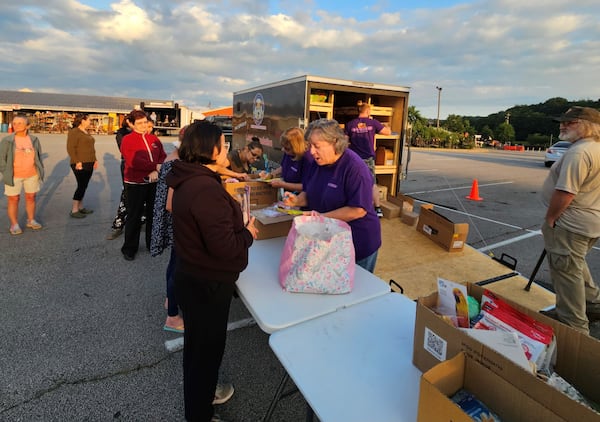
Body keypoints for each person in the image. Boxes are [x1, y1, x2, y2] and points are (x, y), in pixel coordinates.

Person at [166, 120, 257, 421]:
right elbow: (226, 248)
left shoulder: (189, 178)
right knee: (204, 356)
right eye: (224, 143)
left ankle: (202, 398)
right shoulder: (204, 188)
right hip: (206, 285)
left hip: (193, 278)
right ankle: (199, 413)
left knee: (198, 352)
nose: (227, 149)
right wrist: (248, 234)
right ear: (211, 148)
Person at [284, 118, 382, 273]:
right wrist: (296, 200)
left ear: (335, 143)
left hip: (357, 242)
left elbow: (358, 210)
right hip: (329, 237)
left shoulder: (355, 169)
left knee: (354, 291)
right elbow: (309, 191)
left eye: (317, 146)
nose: (311, 152)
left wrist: (320, 218)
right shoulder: (317, 164)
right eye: (310, 146)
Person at [541, 106, 600, 335]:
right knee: (575, 266)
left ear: (588, 126)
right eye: (562, 122)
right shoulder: (594, 148)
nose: (562, 126)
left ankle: (573, 326)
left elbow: (566, 192)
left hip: (570, 223)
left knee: (565, 274)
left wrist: (551, 217)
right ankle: (592, 306)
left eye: (570, 122)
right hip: (589, 222)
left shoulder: (579, 152)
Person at [120, 110, 166, 261]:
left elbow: (162, 156)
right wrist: (154, 168)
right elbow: (133, 161)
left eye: (145, 122)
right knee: (134, 215)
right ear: (131, 124)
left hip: (153, 182)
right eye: (139, 123)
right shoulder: (127, 140)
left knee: (153, 214)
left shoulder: (153, 139)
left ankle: (151, 243)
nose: (143, 125)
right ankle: (129, 248)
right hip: (135, 183)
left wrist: (157, 168)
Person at [344, 100, 391, 218]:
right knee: (372, 183)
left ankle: (353, 206)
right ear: (368, 111)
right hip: (368, 158)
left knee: (353, 182)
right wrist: (386, 125)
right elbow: (387, 133)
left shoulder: (350, 124)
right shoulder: (373, 123)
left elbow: (344, 142)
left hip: (354, 159)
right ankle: (377, 209)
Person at [0, 114, 44, 235]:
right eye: (14, 123)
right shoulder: (7, 140)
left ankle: (31, 220)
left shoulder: (34, 139)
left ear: (27, 125)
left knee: (31, 198)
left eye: (20, 123)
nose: (16, 126)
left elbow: (38, 156)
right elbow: (1, 159)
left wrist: (39, 169)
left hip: (32, 174)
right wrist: (6, 171)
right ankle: (14, 224)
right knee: (14, 199)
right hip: (14, 176)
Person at [107, 115, 134, 240]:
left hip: (143, 171)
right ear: (129, 122)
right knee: (127, 195)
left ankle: (141, 221)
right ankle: (118, 225)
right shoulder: (122, 133)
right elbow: (124, 150)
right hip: (128, 166)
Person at [66, 113, 98, 218]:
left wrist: (95, 159)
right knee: (81, 185)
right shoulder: (74, 132)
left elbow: (90, 148)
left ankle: (81, 207)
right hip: (80, 162)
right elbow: (70, 148)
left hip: (89, 162)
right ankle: (74, 210)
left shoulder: (85, 132)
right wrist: (77, 161)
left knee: (84, 185)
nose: (90, 122)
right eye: (88, 120)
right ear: (82, 120)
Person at [270, 127, 313, 192]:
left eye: (287, 148)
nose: (283, 150)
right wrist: (271, 174)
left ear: (296, 148)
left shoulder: (308, 159)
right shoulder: (288, 153)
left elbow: (305, 187)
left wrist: (283, 185)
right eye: (283, 147)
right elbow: (284, 167)